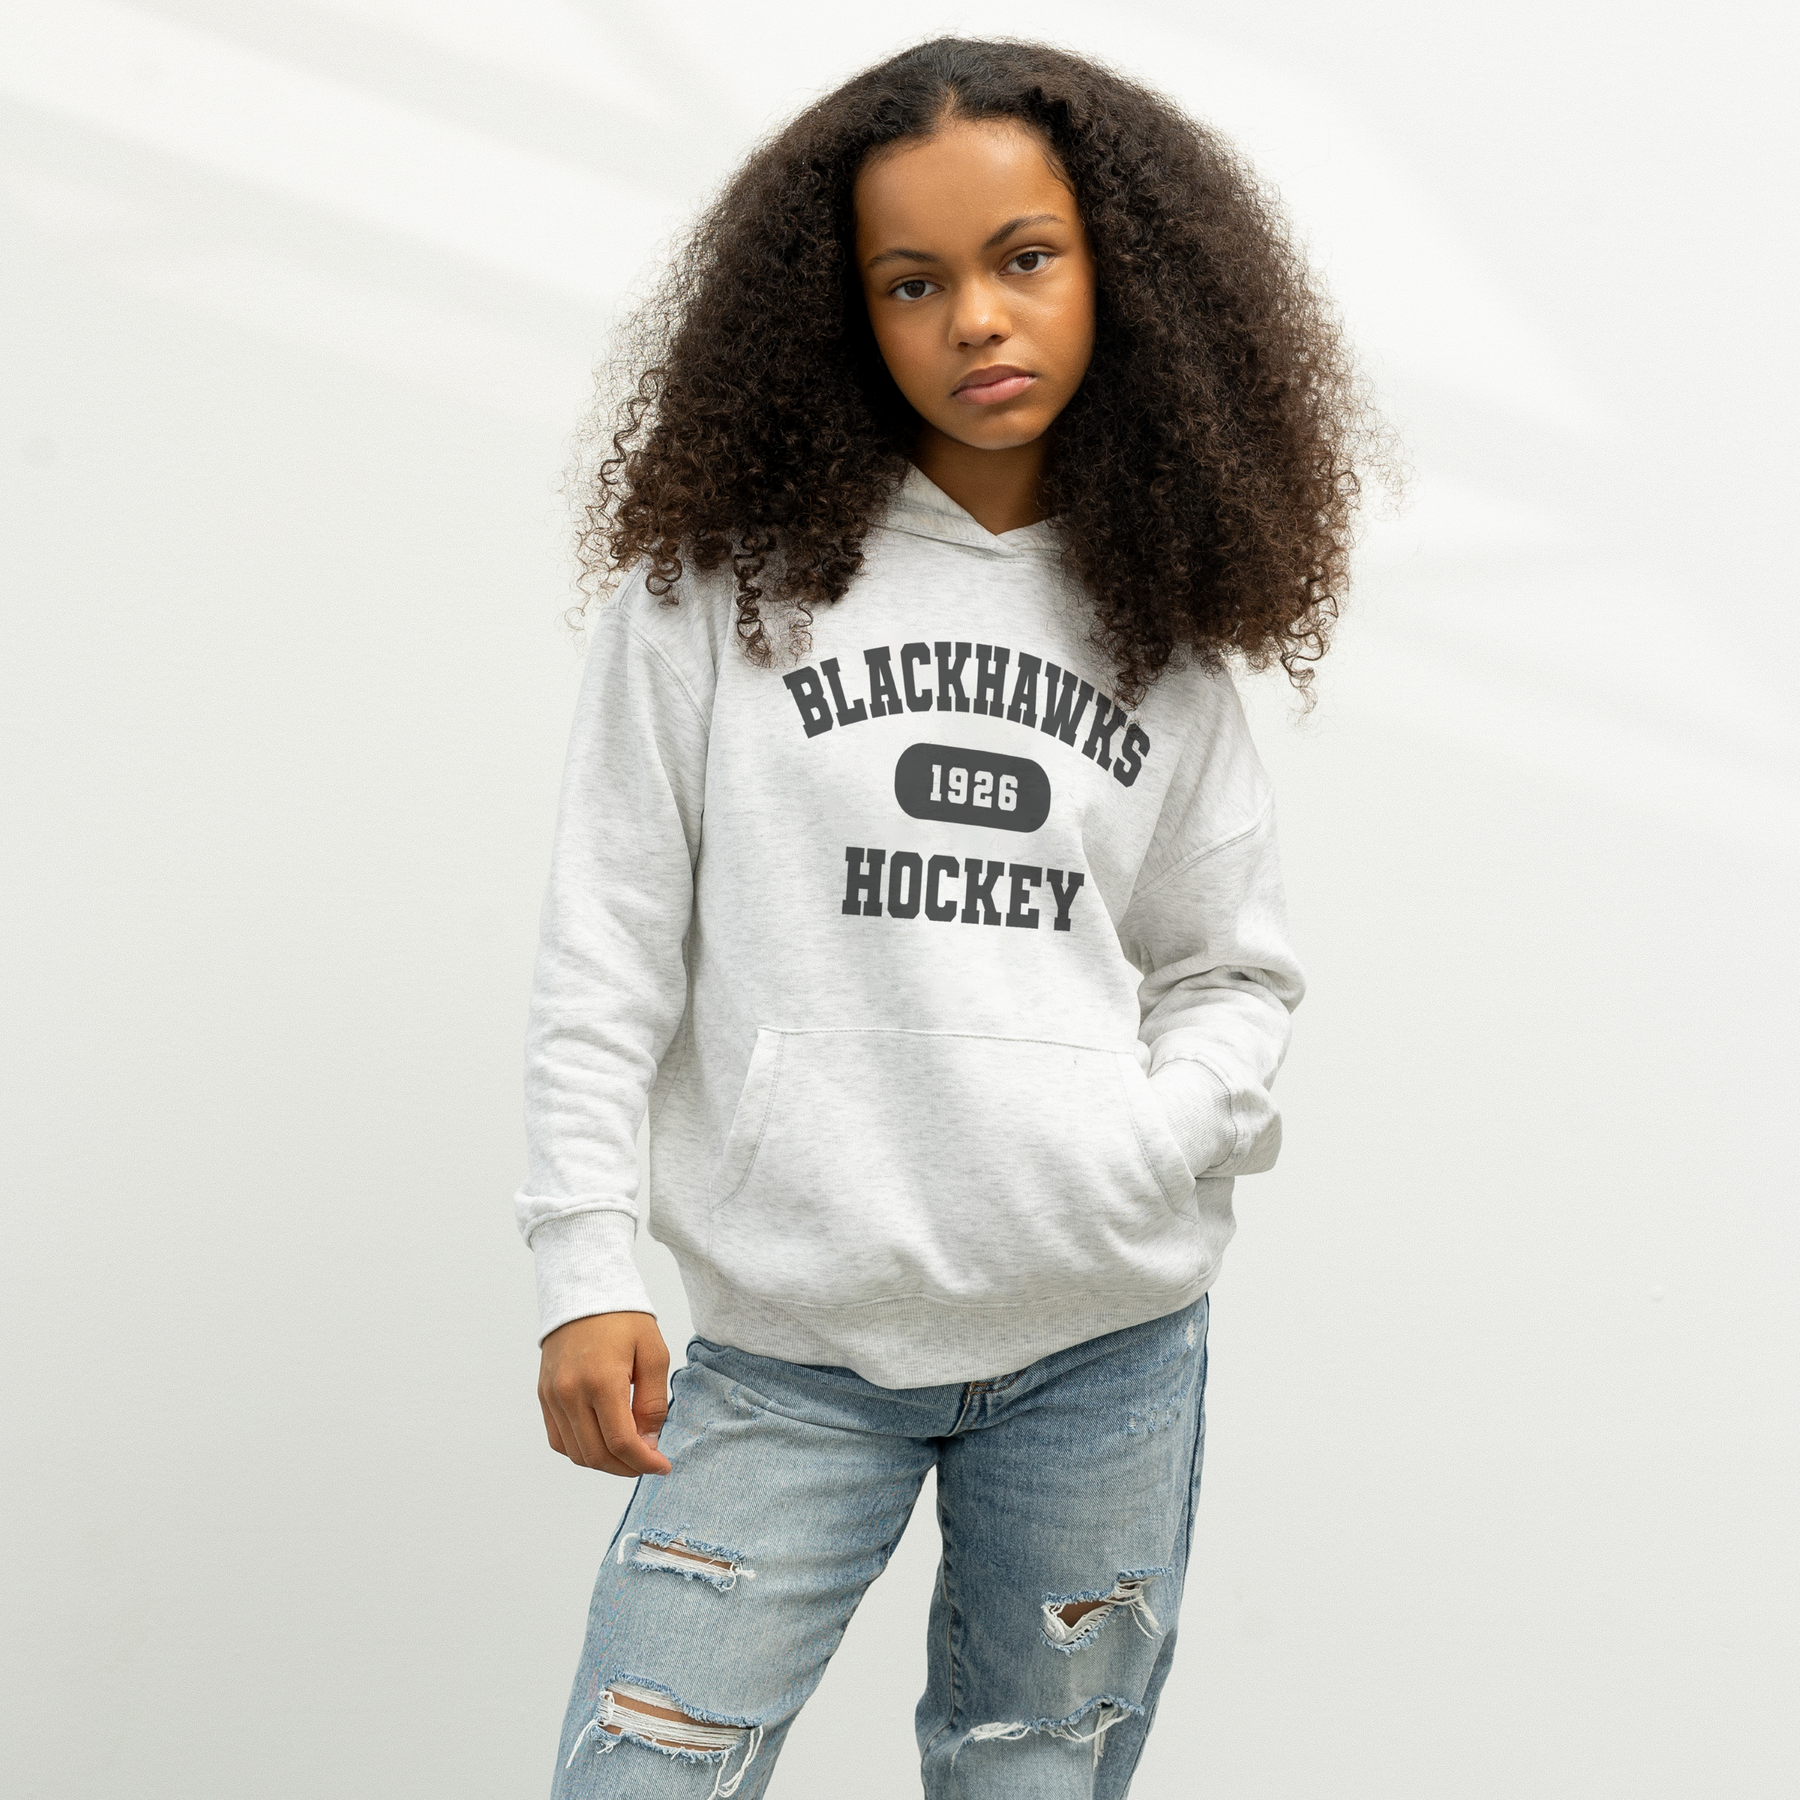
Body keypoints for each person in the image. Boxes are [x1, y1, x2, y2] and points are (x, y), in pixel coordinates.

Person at [518, 36, 1373, 1798]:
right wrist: (584, 1268)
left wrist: (1144, 1140)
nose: (976, 317)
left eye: (1025, 258)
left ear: (1120, 273)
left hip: (1101, 1351)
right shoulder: (719, 594)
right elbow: (606, 948)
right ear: (843, 313)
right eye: (913, 281)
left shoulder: (1158, 623)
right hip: (792, 1347)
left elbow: (1232, 964)